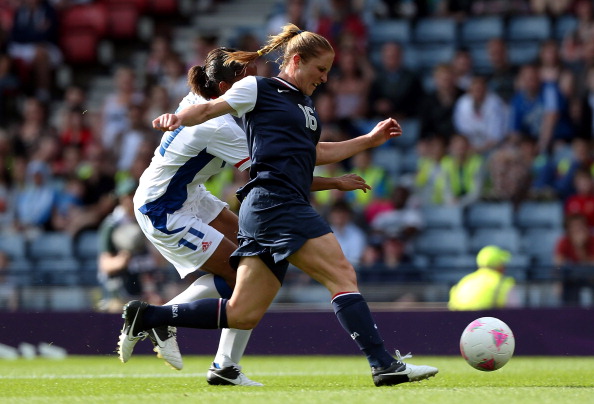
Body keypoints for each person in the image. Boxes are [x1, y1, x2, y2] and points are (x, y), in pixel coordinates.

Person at [122, 24, 438, 387]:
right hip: (253, 204)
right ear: (298, 60)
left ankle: (156, 319)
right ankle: (383, 364)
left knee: (242, 312)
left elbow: (309, 155)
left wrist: (368, 140)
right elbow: (207, 114)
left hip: (248, 204)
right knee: (340, 275)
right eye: (321, 69)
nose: (325, 78)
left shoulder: (303, 105)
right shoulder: (252, 95)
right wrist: (176, 119)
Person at [448, 245, 518, 311]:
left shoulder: (464, 281)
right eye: (503, 263)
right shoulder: (504, 283)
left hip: (460, 323)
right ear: (499, 265)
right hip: (490, 323)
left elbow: (452, 307)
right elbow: (514, 313)